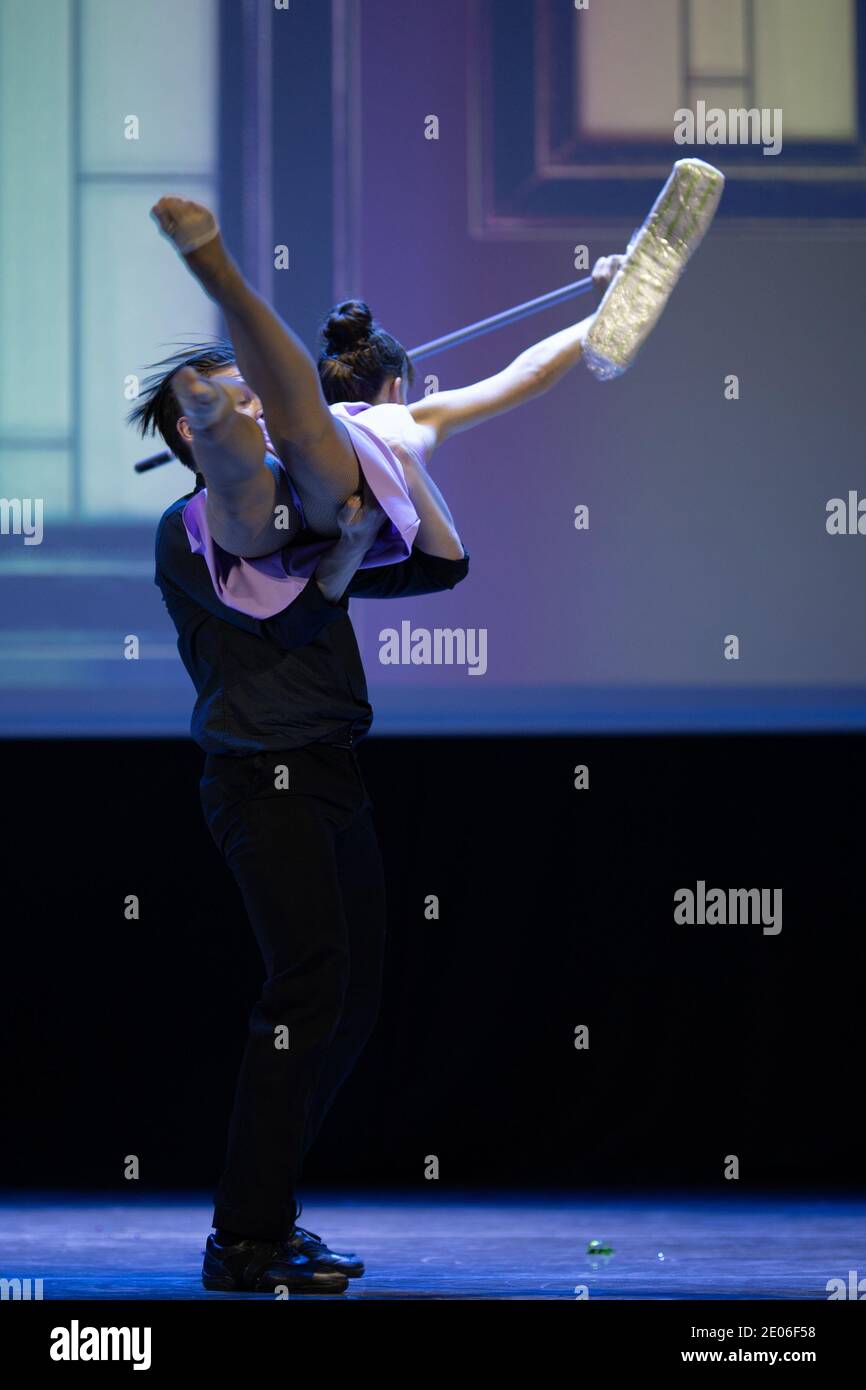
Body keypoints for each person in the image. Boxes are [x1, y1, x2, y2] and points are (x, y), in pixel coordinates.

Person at [135, 342, 469, 1294]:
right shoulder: (194, 528)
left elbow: (444, 567)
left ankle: (267, 1213)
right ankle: (242, 1241)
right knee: (306, 993)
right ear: (194, 438)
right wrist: (352, 548)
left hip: (330, 768)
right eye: (230, 403)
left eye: (255, 393)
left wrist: (388, 447)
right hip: (255, 777)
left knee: (351, 1003)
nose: (260, 407)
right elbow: (285, 628)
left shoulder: (304, 517)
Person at [149, 196, 623, 597]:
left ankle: (214, 417)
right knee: (300, 423)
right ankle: (220, 294)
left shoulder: (324, 417)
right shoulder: (407, 418)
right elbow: (531, 373)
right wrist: (600, 317)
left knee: (239, 487)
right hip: (330, 486)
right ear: (397, 387)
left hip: (274, 503)